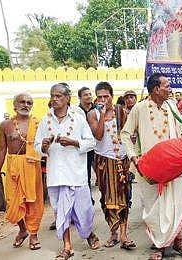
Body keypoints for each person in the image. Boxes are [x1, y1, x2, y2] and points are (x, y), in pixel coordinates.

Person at [121, 73, 182, 259]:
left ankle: (178, 241)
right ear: (156, 89)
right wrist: (134, 157)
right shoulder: (139, 108)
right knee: (153, 207)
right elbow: (125, 134)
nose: (170, 89)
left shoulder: (171, 107)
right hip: (149, 168)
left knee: (177, 202)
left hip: (173, 165)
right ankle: (159, 245)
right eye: (167, 86)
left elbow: (181, 131)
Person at [35, 83, 100, 259]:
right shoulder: (45, 120)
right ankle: (67, 246)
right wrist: (43, 146)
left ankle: (88, 233)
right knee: (62, 213)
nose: (54, 99)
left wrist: (73, 142)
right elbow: (36, 146)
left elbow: (91, 142)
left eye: (58, 96)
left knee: (85, 212)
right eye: (52, 96)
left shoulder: (78, 118)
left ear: (67, 98)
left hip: (77, 174)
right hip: (56, 174)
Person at [0, 93, 44, 250]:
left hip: (32, 165)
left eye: (29, 102)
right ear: (14, 105)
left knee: (32, 201)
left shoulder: (37, 124)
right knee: (13, 202)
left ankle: (33, 235)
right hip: (13, 165)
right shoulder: (5, 125)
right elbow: (2, 149)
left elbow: (43, 147)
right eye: (22, 102)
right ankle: (22, 230)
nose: (26, 105)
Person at [86, 82, 135, 250]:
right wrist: (101, 113)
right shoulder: (92, 114)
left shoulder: (122, 112)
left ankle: (123, 235)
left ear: (112, 97)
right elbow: (99, 136)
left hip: (122, 160)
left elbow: (130, 134)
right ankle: (113, 233)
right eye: (99, 97)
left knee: (124, 196)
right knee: (107, 198)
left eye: (106, 96)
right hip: (103, 161)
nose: (103, 99)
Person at [78, 87, 95, 200]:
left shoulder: (97, 109)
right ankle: (87, 199)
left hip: (99, 145)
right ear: (79, 98)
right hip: (85, 147)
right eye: (85, 95)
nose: (89, 96)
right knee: (86, 174)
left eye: (90, 94)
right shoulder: (76, 112)